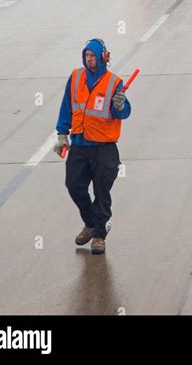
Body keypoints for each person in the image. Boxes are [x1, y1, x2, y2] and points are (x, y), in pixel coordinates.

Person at [54, 38, 131, 254]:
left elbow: (124, 112)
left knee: (101, 192)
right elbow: (67, 106)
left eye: (93, 56)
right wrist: (62, 133)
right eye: (87, 56)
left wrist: (120, 105)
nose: (90, 60)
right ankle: (90, 223)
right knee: (74, 186)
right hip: (79, 145)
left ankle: (99, 236)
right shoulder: (76, 77)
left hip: (104, 148)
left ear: (103, 57)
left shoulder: (114, 82)